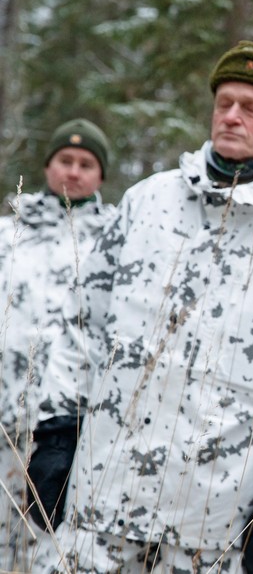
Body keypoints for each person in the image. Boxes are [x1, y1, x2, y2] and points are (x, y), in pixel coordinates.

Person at [28, 40, 253, 573]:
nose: (231, 116)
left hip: (211, 533)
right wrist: (57, 430)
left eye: (251, 108)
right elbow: (81, 327)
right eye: (223, 102)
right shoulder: (148, 203)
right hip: (100, 516)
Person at [0, 118, 116, 571]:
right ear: (48, 166)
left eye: (86, 163)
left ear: (100, 175)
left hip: (72, 430)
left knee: (57, 544)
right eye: (65, 160)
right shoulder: (8, 236)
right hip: (6, 421)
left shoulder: (115, 240)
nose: (74, 171)